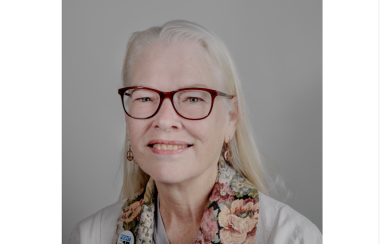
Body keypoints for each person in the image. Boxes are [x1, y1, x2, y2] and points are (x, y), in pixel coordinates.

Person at [69, 20, 322, 244]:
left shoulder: (292, 238)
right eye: (145, 98)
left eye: (192, 99)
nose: (165, 120)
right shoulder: (91, 237)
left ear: (231, 118)